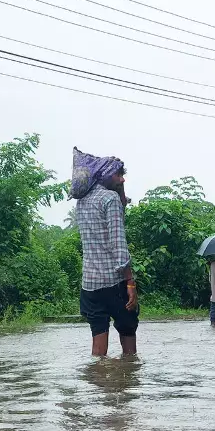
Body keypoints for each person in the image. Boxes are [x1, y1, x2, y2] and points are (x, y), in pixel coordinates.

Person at [72, 148, 139, 357]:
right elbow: (118, 244)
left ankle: (97, 388)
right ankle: (128, 385)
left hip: (90, 286)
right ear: (106, 175)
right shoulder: (109, 199)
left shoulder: (81, 202)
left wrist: (120, 192)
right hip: (114, 282)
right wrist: (130, 283)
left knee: (98, 349)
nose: (122, 179)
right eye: (119, 175)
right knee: (129, 341)